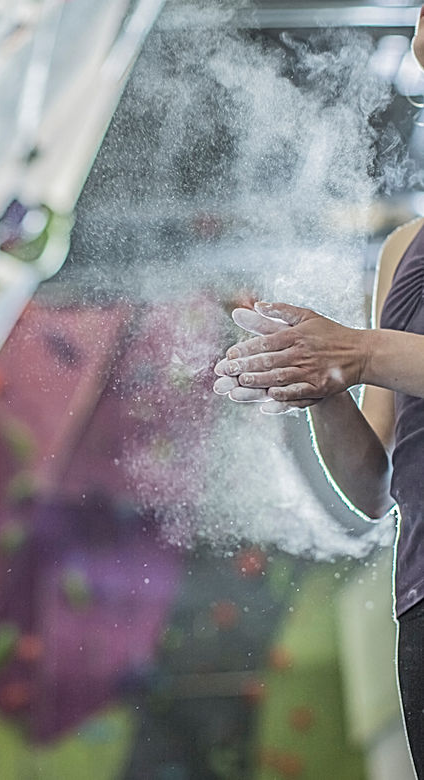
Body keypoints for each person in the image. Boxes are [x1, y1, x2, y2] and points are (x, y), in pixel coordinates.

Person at [214, 8, 424, 777]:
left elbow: (376, 354)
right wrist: (320, 383)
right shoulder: (406, 250)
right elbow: (374, 489)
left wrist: (360, 349)